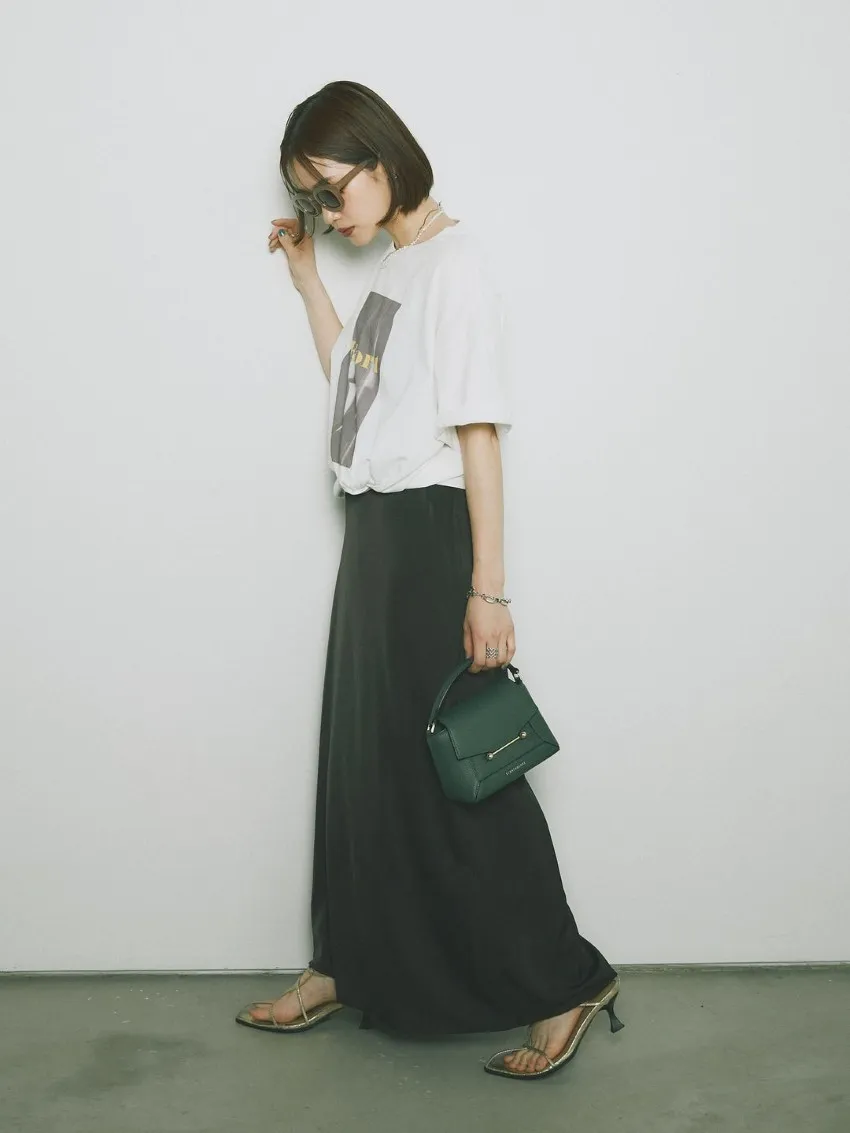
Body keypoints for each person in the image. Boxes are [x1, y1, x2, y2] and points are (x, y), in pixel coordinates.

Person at [235, 80, 624, 1080]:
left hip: (427, 538)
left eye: (332, 189)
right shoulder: (397, 269)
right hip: (374, 535)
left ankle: (565, 979)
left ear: (381, 157)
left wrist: (488, 589)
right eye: (313, 199)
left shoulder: (455, 263)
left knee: (463, 765)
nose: (329, 211)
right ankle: (345, 961)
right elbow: (354, 390)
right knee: (362, 760)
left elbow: (478, 431)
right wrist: (308, 279)